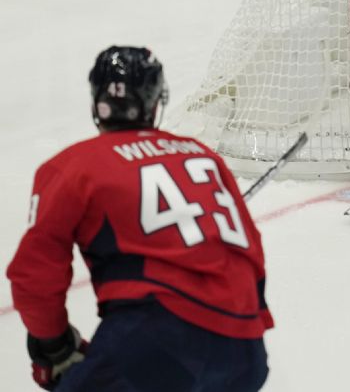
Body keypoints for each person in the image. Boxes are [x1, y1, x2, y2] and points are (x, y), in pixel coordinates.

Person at [7, 46, 272, 391]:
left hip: (154, 339)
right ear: (154, 103)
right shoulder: (203, 155)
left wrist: (53, 346)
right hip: (246, 352)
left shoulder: (73, 166)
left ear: (96, 103)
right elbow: (253, 255)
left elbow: (33, 277)